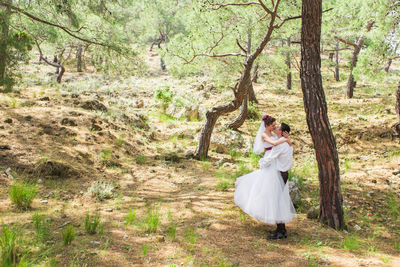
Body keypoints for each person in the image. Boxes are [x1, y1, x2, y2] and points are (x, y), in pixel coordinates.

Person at [234, 116, 296, 239]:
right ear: (267, 125)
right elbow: (274, 143)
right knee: (271, 196)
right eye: (273, 125)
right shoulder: (266, 135)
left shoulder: (277, 138)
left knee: (276, 198)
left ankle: (281, 230)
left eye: (276, 126)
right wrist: (285, 139)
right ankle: (280, 228)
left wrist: (285, 139)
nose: (275, 127)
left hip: (275, 167)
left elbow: (276, 145)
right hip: (273, 166)